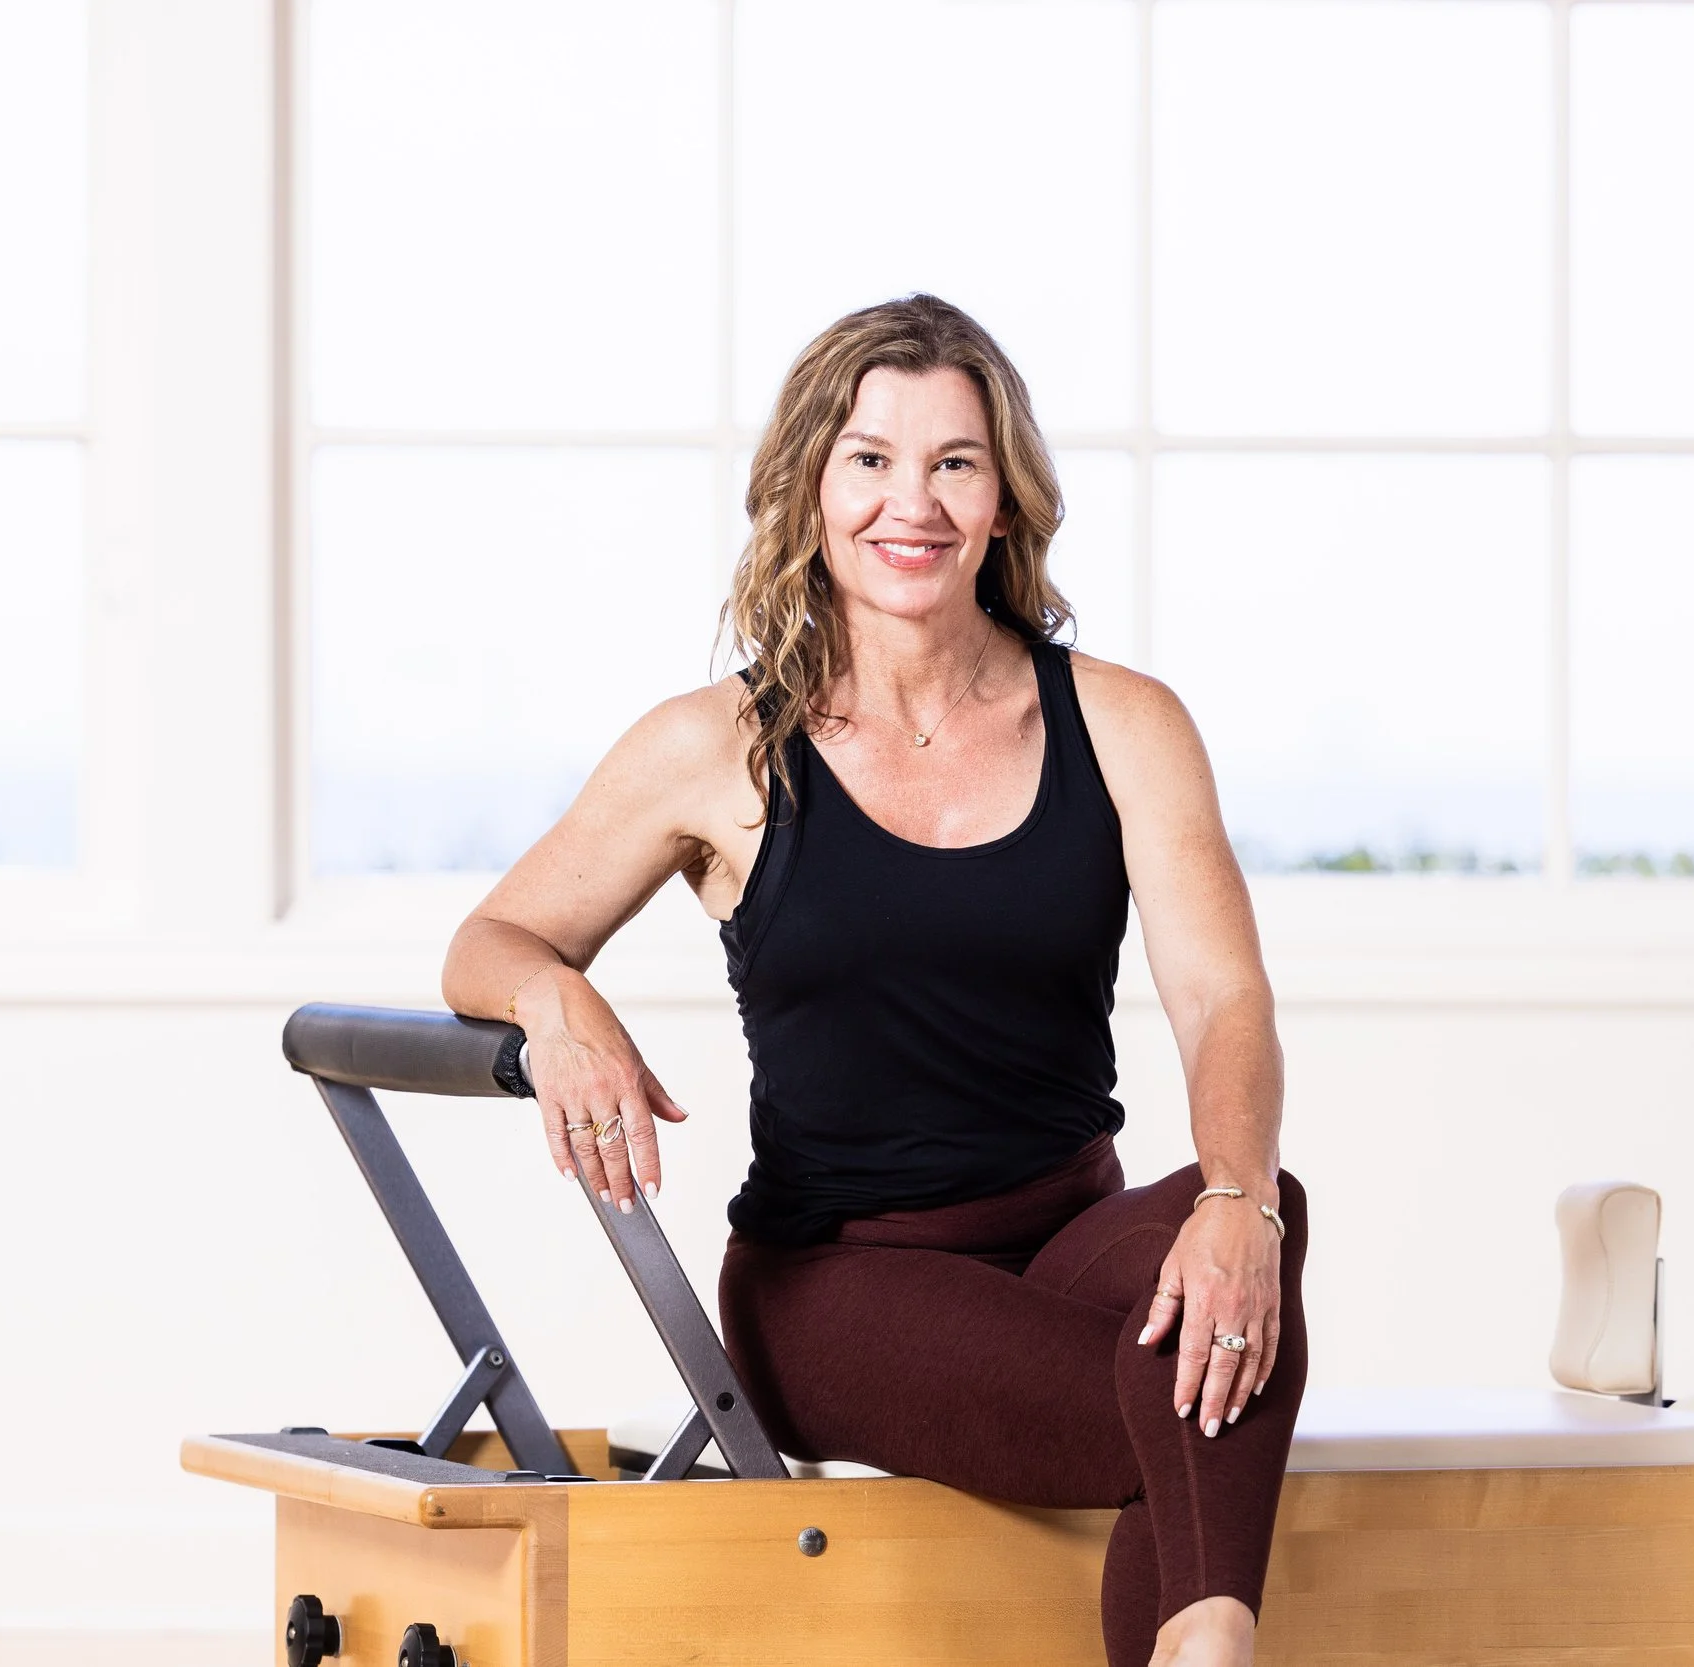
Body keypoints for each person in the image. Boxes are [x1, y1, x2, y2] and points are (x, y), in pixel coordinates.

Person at [443, 294, 1305, 1667]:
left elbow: (1225, 1000)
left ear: (1006, 499)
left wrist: (1236, 1196)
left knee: (1254, 1224)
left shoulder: (1126, 724)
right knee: (1199, 1389)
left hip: (1071, 1240)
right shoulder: (713, 746)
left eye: (955, 462)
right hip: (837, 1284)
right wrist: (559, 1006)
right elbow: (492, 941)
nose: (915, 501)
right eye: (871, 459)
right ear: (810, 489)